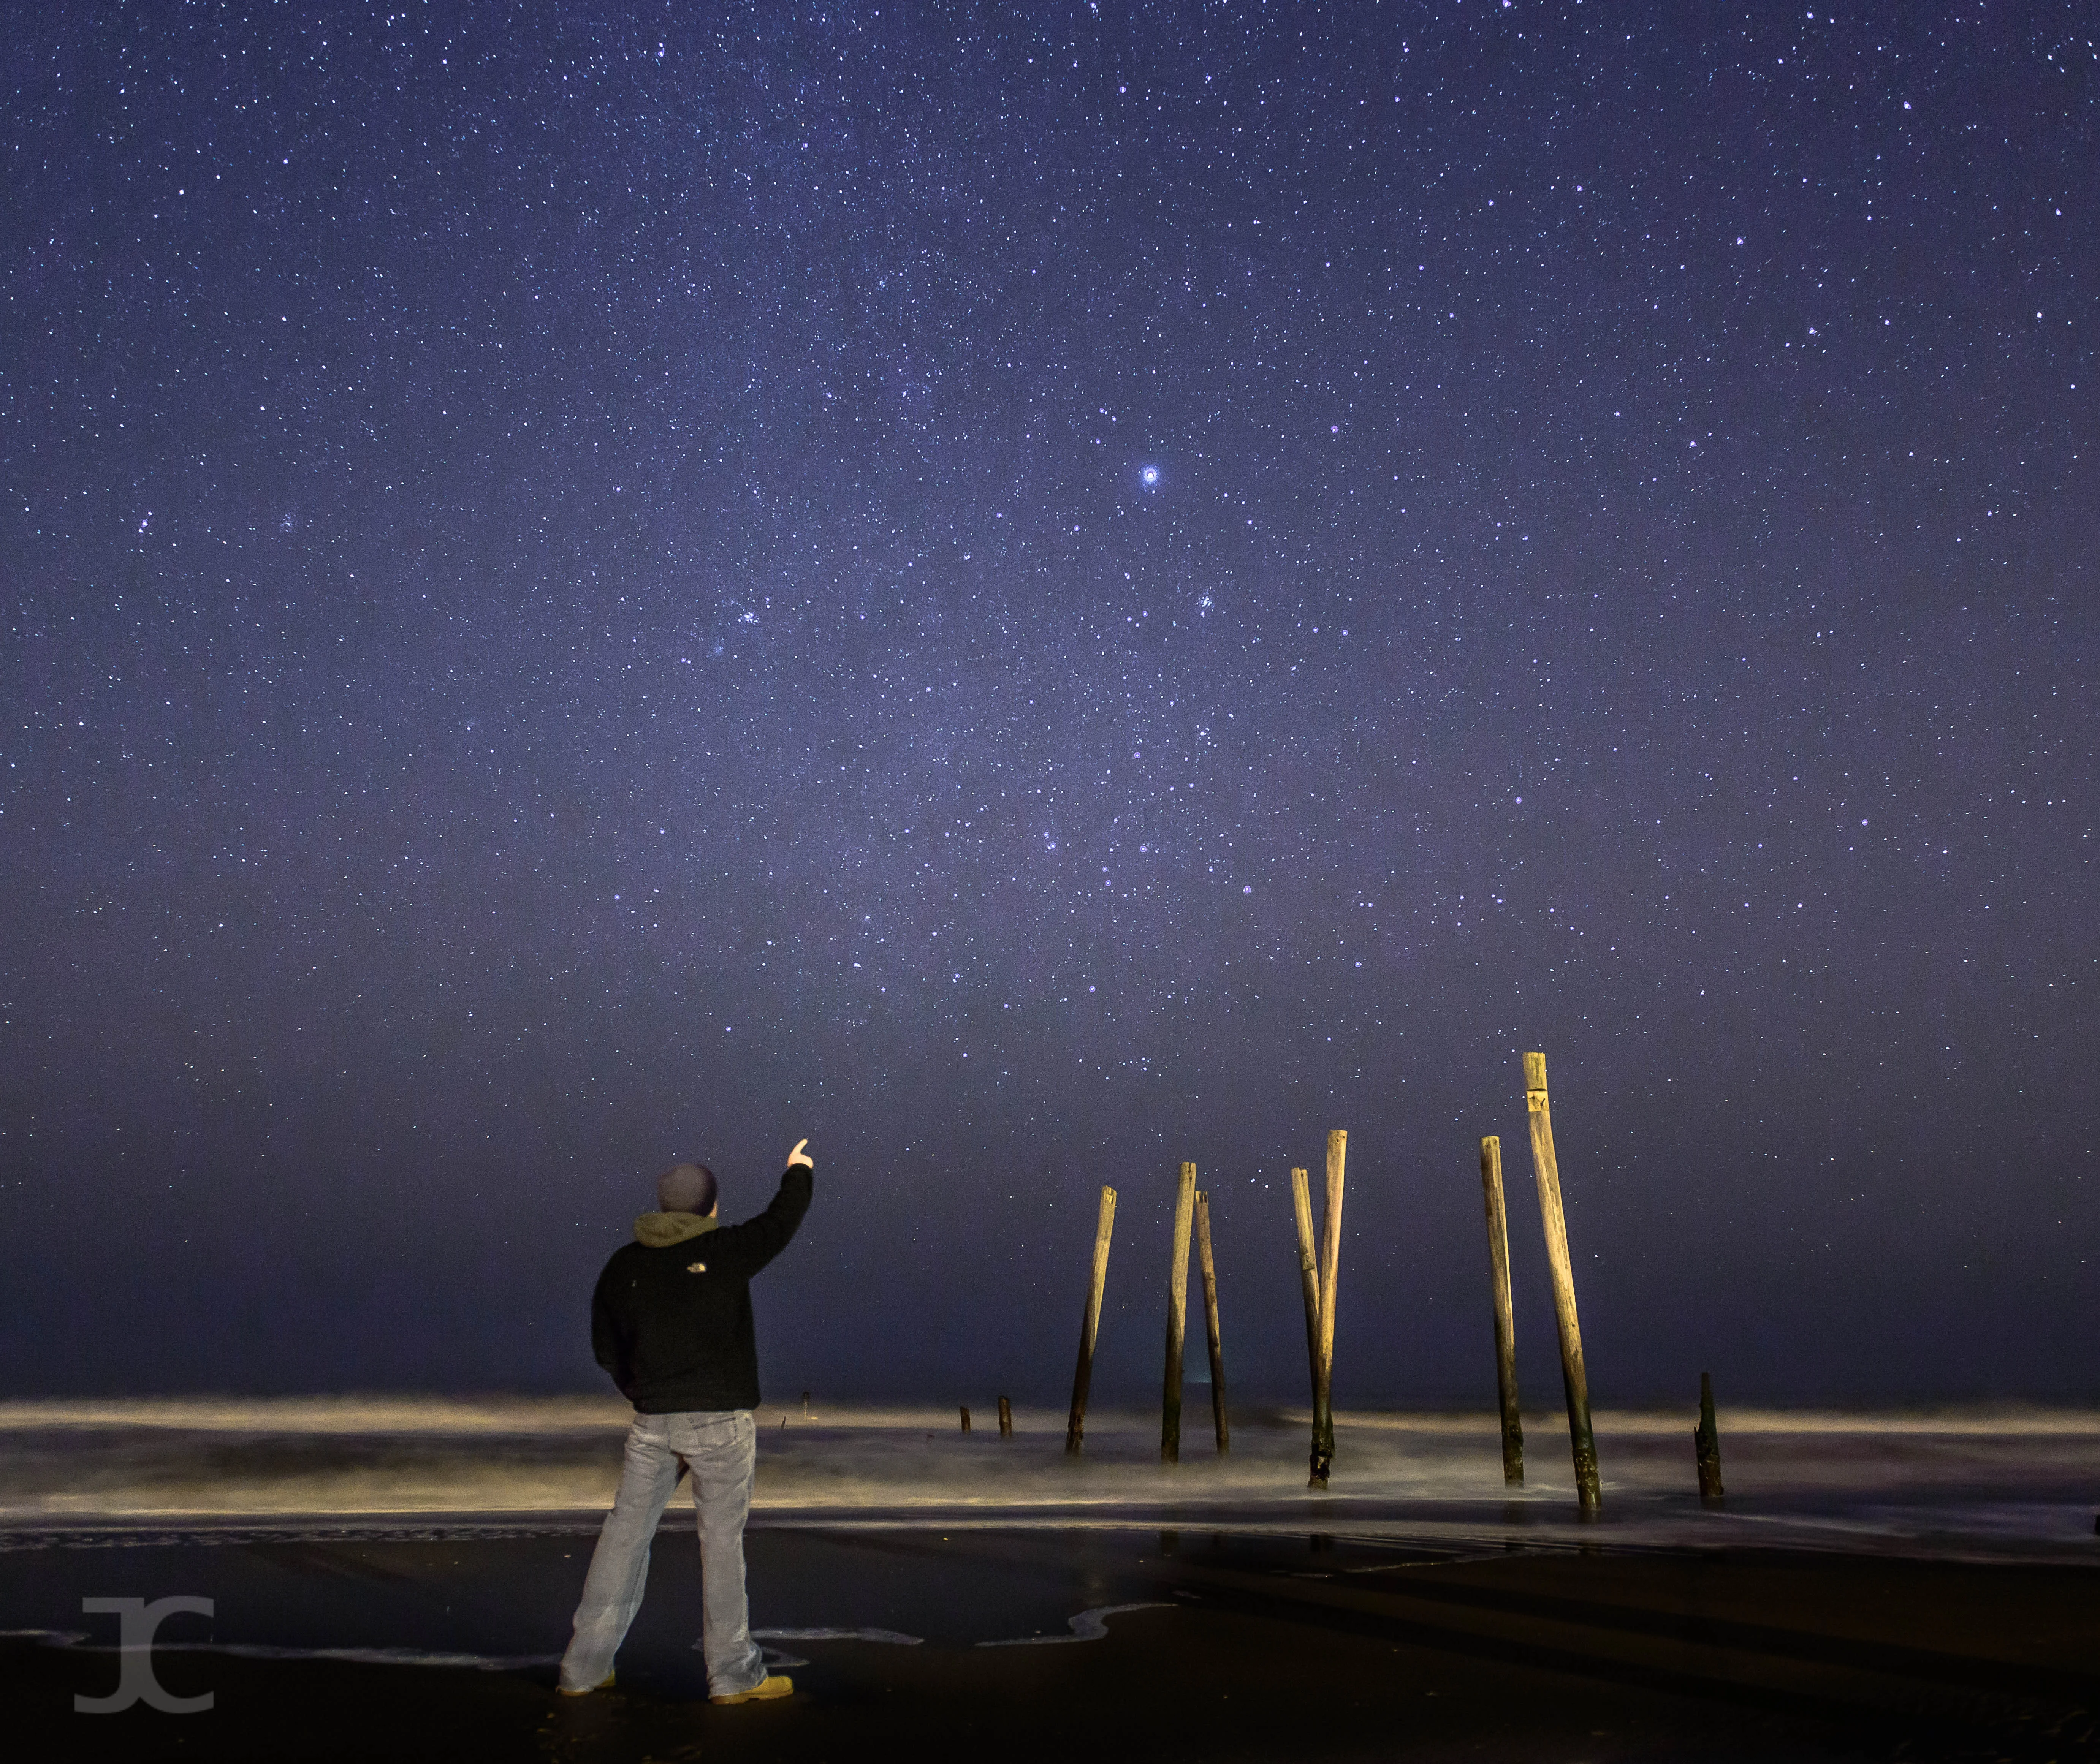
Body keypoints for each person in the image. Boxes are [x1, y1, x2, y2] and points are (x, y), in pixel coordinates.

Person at [558, 1137, 815, 1706]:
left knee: (623, 1538)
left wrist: (641, 1390)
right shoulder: (724, 1250)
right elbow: (782, 1221)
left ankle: (582, 1669)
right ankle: (733, 1676)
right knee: (721, 1544)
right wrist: (798, 1170)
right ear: (711, 1208)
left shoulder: (623, 1264)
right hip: (720, 1424)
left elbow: (606, 1345)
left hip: (652, 1424)